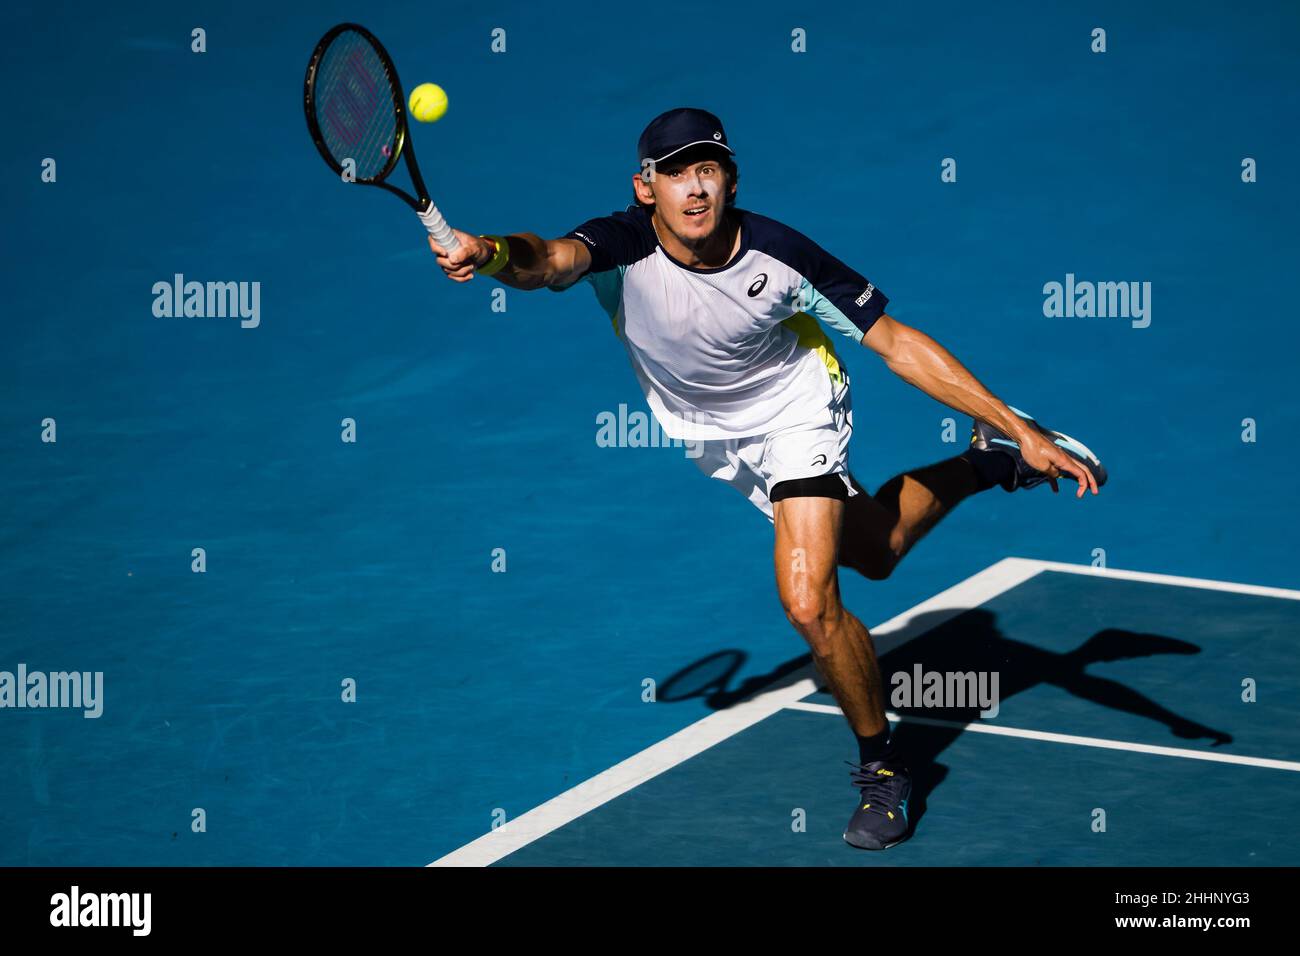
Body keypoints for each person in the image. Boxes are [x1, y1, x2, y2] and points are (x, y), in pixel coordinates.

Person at [427, 107, 1106, 851]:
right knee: (874, 551)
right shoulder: (617, 244)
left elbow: (898, 343)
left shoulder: (782, 255)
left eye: (708, 170)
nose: (694, 189)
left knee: (808, 603)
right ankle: (988, 464)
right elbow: (547, 260)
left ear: (731, 181)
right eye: (676, 172)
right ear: (644, 186)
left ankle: (885, 767)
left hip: (797, 412)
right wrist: (489, 253)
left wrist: (1019, 420)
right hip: (712, 438)